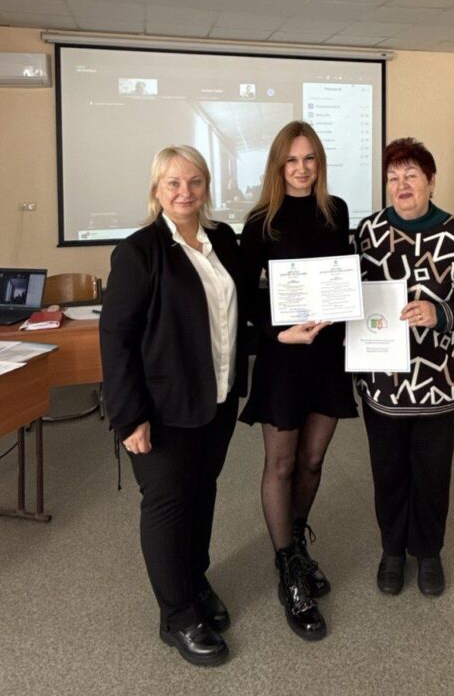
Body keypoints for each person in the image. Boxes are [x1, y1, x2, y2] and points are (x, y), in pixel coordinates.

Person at [100, 145, 247, 668]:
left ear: (206, 186)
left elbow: (238, 313)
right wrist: (128, 416)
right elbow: (116, 338)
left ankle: (194, 580)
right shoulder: (139, 251)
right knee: (167, 504)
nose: (185, 192)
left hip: (218, 397)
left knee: (202, 492)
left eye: (195, 182)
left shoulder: (223, 240)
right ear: (157, 190)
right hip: (161, 408)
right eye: (173, 183)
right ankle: (177, 615)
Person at [354, 137, 454, 598]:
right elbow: (348, 294)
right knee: (389, 472)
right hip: (384, 385)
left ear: (431, 182)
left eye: (411, 175)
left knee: (433, 472)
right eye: (393, 177)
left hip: (440, 382)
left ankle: (429, 551)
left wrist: (442, 313)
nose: (402, 185)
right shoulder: (368, 232)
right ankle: (392, 551)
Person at [239, 121, 357, 641]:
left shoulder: (337, 212)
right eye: (292, 160)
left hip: (327, 355)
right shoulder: (260, 221)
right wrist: (278, 333)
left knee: (312, 460)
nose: (301, 168)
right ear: (278, 165)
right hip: (283, 356)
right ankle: (288, 568)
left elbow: (342, 276)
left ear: (319, 163)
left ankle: (298, 544)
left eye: (309, 159)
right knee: (282, 463)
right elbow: (245, 297)